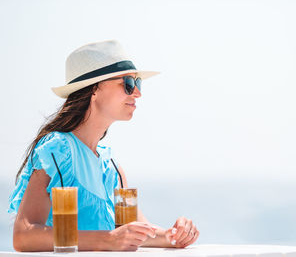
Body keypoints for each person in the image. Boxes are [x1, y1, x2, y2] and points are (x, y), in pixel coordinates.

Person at [7, 40, 199, 251]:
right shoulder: (57, 151)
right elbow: (23, 236)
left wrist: (174, 235)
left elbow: (136, 232)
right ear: (94, 89)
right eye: (128, 83)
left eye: (138, 83)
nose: (137, 93)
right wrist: (107, 239)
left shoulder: (112, 168)